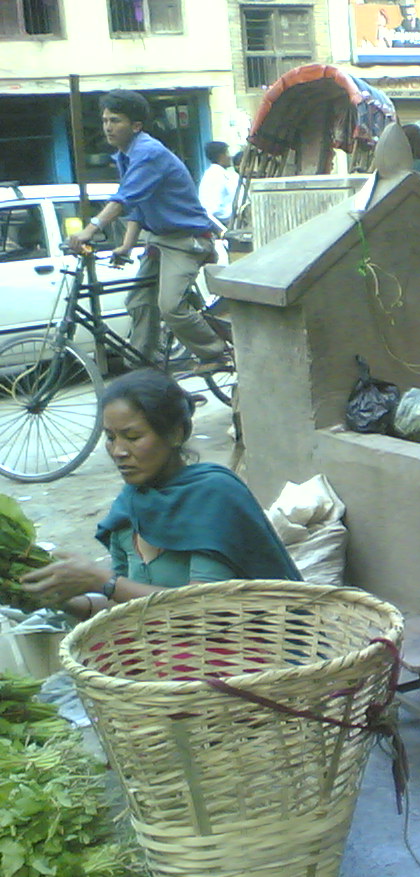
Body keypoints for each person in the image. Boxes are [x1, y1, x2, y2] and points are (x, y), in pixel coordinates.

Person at [21, 370, 300, 619]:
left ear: (176, 434)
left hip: (246, 651)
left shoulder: (213, 495)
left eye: (132, 437)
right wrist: (63, 599)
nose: (118, 451)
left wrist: (102, 581)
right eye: (110, 437)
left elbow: (204, 608)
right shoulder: (128, 507)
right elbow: (123, 606)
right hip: (166, 654)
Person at [67, 90, 230, 370]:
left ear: (136, 126)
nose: (107, 126)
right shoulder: (125, 155)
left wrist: (90, 229)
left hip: (186, 240)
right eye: (105, 120)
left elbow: (125, 197)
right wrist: (127, 246)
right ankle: (143, 366)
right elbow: (138, 205)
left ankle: (216, 353)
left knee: (171, 307)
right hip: (158, 240)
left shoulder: (149, 153)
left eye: (115, 120)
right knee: (139, 303)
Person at [198, 140, 239, 231]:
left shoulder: (222, 174)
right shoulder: (215, 176)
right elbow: (213, 209)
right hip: (223, 226)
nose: (230, 157)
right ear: (221, 156)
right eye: (227, 153)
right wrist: (235, 213)